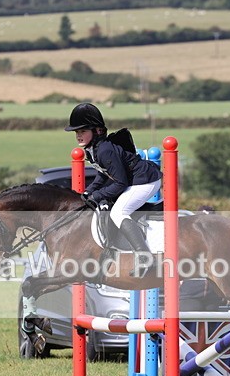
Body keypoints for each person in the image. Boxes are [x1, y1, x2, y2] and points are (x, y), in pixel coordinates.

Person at [65, 102, 162, 278]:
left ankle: (145, 257)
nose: (78, 135)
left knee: (118, 212)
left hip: (145, 181)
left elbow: (120, 183)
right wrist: (87, 193)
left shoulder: (105, 150)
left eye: (82, 131)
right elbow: (102, 176)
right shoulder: (92, 150)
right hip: (134, 181)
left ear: (96, 131)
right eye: (77, 132)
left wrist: (96, 195)